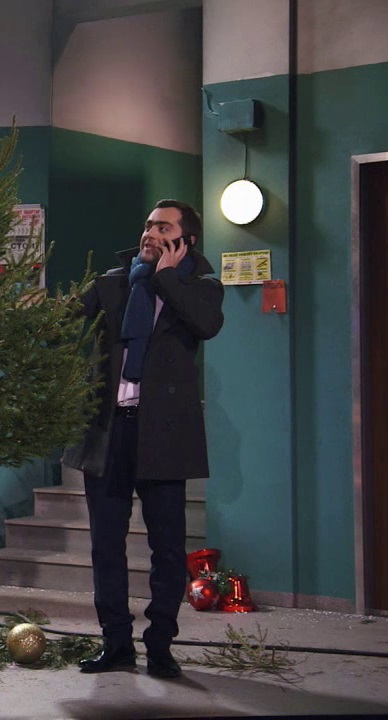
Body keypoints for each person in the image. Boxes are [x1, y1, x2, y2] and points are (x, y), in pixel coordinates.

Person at [65, 199, 224, 679]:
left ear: (185, 241)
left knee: (168, 550)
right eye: (149, 224)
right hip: (110, 430)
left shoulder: (201, 287)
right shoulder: (113, 282)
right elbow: (61, 320)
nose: (151, 233)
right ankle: (115, 643)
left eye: (164, 227)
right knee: (105, 546)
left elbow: (206, 326)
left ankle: (160, 646)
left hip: (163, 434)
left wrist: (167, 278)